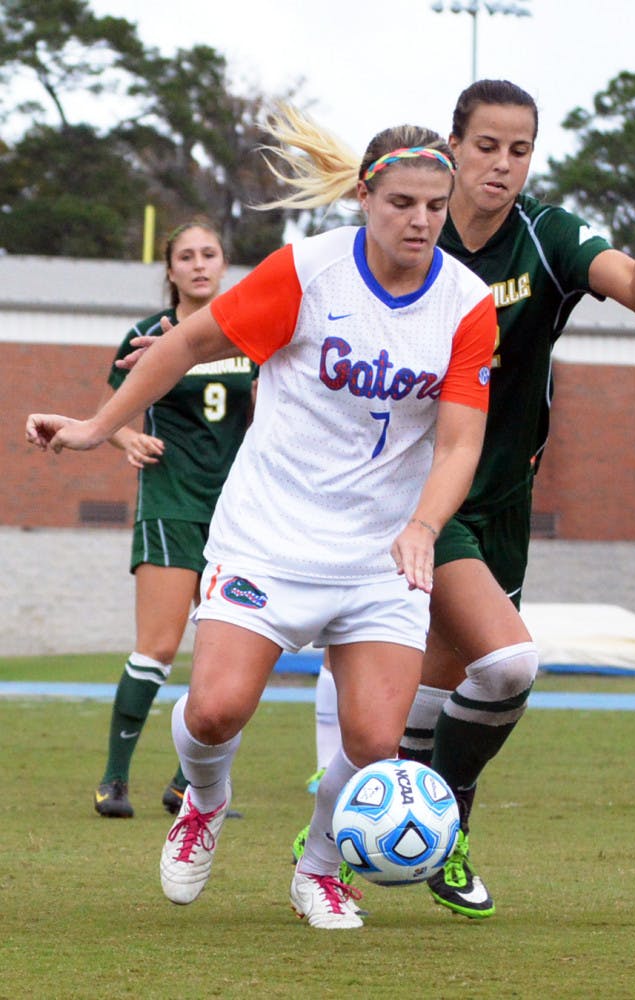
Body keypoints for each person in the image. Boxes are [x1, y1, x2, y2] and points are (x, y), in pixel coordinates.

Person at [25, 107, 498, 930]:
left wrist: (422, 525)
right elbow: (183, 345)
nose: (421, 221)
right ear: (364, 198)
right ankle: (204, 802)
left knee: (374, 743)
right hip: (269, 539)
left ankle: (319, 871)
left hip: (380, 555)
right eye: (402, 204)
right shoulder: (308, 272)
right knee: (214, 710)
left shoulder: (465, 302)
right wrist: (99, 428)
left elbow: (459, 443)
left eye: (434, 205)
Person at [306, 79, 635, 920]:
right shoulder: (412, 232)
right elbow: (311, 315)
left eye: (519, 150)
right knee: (508, 664)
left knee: (434, 701)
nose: (501, 165)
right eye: (485, 146)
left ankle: (350, 840)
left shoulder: (547, 237)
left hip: (504, 502)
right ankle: (428, 833)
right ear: (453, 147)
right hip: (416, 503)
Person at [93, 220, 256, 819]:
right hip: (171, 504)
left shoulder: (248, 332)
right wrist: (127, 439)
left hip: (237, 516)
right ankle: (113, 781)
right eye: (186, 256)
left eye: (209, 253)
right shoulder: (149, 334)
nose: (198, 264)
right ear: (170, 270)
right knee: (159, 648)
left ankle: (188, 784)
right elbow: (110, 414)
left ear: (224, 263)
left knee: (229, 658)